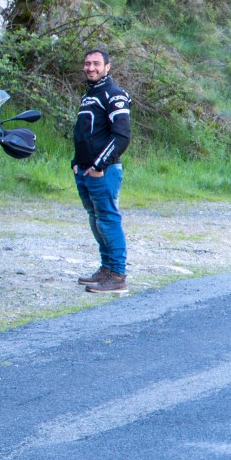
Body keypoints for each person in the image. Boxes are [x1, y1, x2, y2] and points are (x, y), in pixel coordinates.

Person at [74, 48, 131, 294]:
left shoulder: (115, 95)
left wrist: (99, 165)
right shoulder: (89, 96)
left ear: (107, 66)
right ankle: (106, 269)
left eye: (96, 63)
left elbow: (122, 136)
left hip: (103, 171)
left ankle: (117, 276)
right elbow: (85, 134)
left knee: (108, 220)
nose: (91, 67)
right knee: (96, 220)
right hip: (84, 172)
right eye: (87, 63)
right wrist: (76, 162)